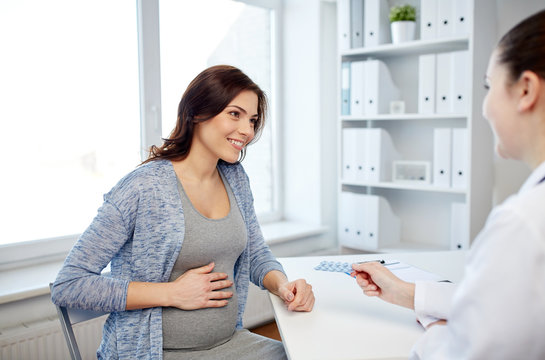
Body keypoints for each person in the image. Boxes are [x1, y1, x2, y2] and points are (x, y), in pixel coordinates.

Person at [51, 65, 315, 360]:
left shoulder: (235, 178)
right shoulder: (143, 187)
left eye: (252, 120)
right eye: (235, 114)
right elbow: (69, 285)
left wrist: (282, 285)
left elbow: (256, 253)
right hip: (156, 352)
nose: (247, 131)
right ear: (197, 112)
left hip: (232, 344)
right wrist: (171, 293)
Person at [351, 9, 545, 359]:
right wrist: (407, 294)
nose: (484, 107)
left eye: (489, 87)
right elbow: (500, 301)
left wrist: (442, 330)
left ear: (526, 89)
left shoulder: (522, 224)